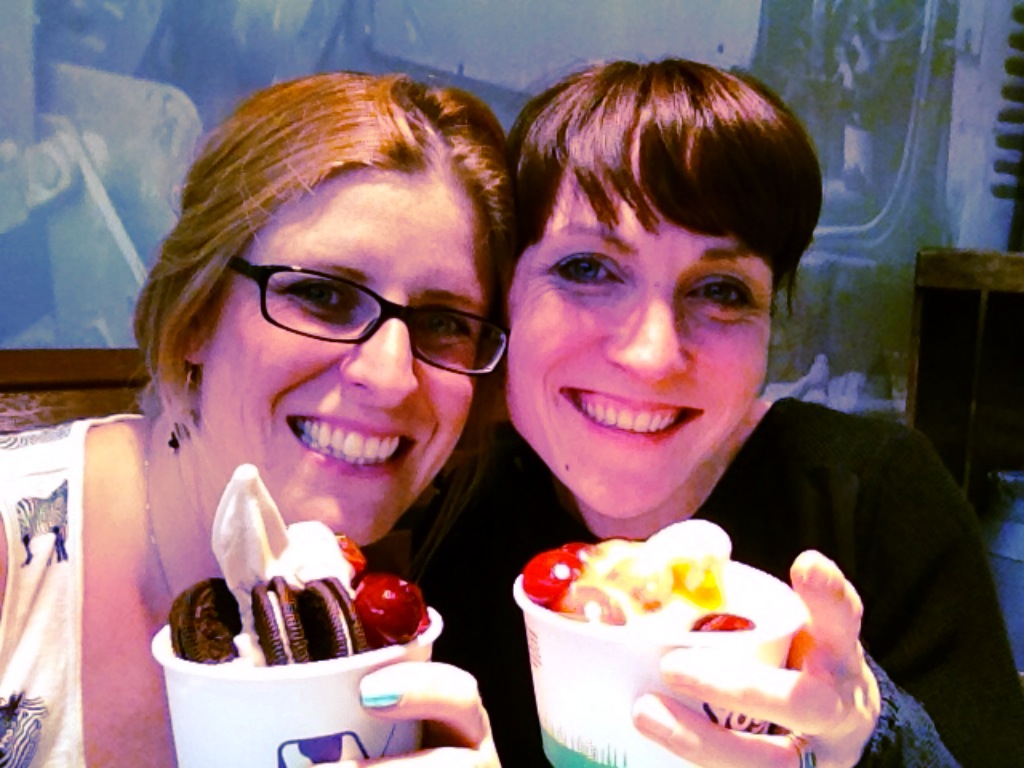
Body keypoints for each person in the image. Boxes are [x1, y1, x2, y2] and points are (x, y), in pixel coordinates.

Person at [418, 58, 1024, 766]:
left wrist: (873, 741)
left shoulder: (878, 501)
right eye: (587, 268)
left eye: (721, 291)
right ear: (503, 296)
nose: (652, 355)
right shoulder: (451, 506)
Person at [0, 71, 513, 766]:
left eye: (446, 322)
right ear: (196, 315)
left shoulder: (399, 613)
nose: (392, 376)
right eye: (323, 295)